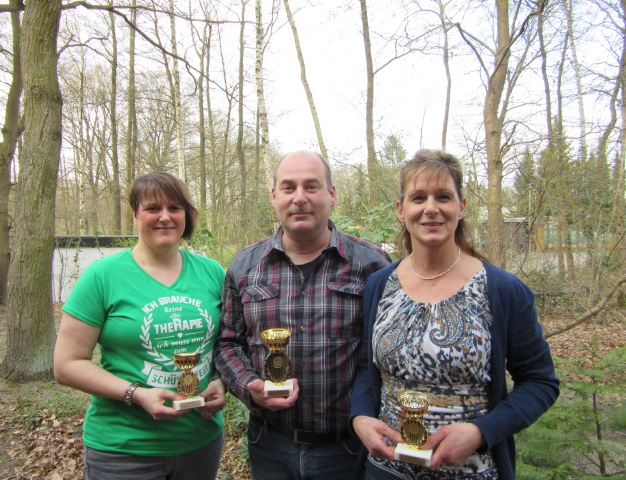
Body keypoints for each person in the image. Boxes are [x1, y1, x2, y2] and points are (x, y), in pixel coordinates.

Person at [349, 149, 559, 480]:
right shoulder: (379, 285)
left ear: (460, 207)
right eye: (418, 197)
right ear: (401, 210)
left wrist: (482, 431)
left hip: (471, 472)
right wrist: (360, 417)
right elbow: (365, 368)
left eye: (443, 197)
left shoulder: (501, 290)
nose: (430, 208)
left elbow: (540, 381)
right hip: (385, 470)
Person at [214, 150, 391, 480]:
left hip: (347, 448)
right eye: (288, 187)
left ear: (332, 194)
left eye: (311, 186)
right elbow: (227, 344)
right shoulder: (244, 266)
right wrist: (249, 384)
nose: (299, 198)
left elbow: (382, 356)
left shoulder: (372, 265)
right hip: (269, 446)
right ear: (273, 196)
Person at [53, 171, 226, 480]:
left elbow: (228, 343)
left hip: (200, 442)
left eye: (174, 208)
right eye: (152, 208)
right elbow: (67, 364)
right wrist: (137, 394)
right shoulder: (102, 277)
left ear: (186, 214)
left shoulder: (212, 272)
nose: (165, 217)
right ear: (135, 214)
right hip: (124, 450)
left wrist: (223, 381)